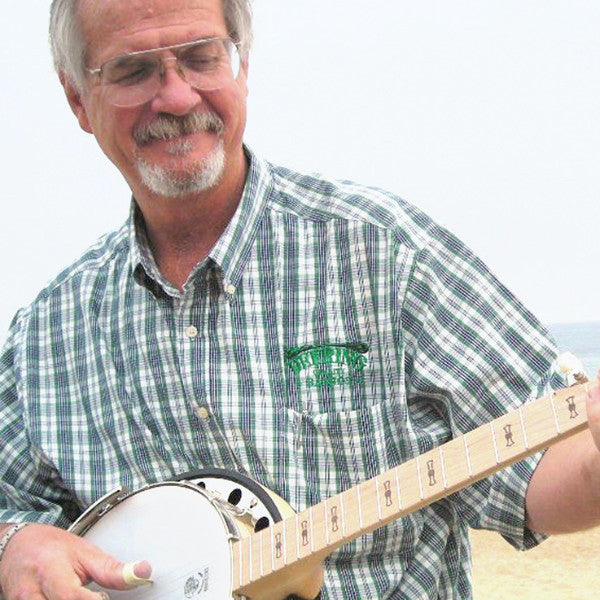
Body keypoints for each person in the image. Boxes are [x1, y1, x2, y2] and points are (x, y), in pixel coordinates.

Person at [0, 0, 599, 598]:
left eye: (201, 58)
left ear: (241, 64)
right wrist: (13, 546)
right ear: (78, 98)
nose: (178, 98)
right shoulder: (46, 333)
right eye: (134, 72)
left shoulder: (384, 251)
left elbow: (541, 468)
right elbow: (12, 509)